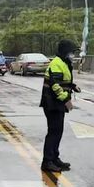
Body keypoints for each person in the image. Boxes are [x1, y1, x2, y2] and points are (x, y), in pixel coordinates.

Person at [40, 39, 81, 173]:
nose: (72, 55)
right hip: (52, 102)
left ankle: (55, 158)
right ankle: (47, 161)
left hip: (57, 103)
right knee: (53, 132)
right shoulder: (57, 63)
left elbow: (63, 81)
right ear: (65, 52)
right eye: (71, 52)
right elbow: (55, 85)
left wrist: (73, 87)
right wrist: (66, 100)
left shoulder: (64, 63)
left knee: (58, 131)